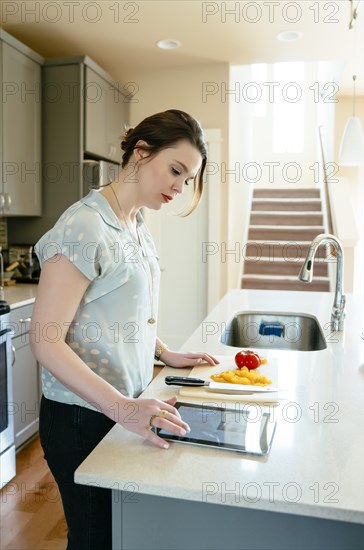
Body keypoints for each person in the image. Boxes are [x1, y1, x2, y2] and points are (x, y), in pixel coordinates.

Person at [30, 109, 219, 550]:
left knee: (122, 535)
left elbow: (115, 311)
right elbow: (45, 339)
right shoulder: (84, 225)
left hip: (120, 406)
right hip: (82, 415)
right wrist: (123, 409)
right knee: (96, 539)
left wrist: (162, 350)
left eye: (187, 179)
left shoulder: (135, 224)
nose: (179, 186)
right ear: (141, 152)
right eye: (175, 170)